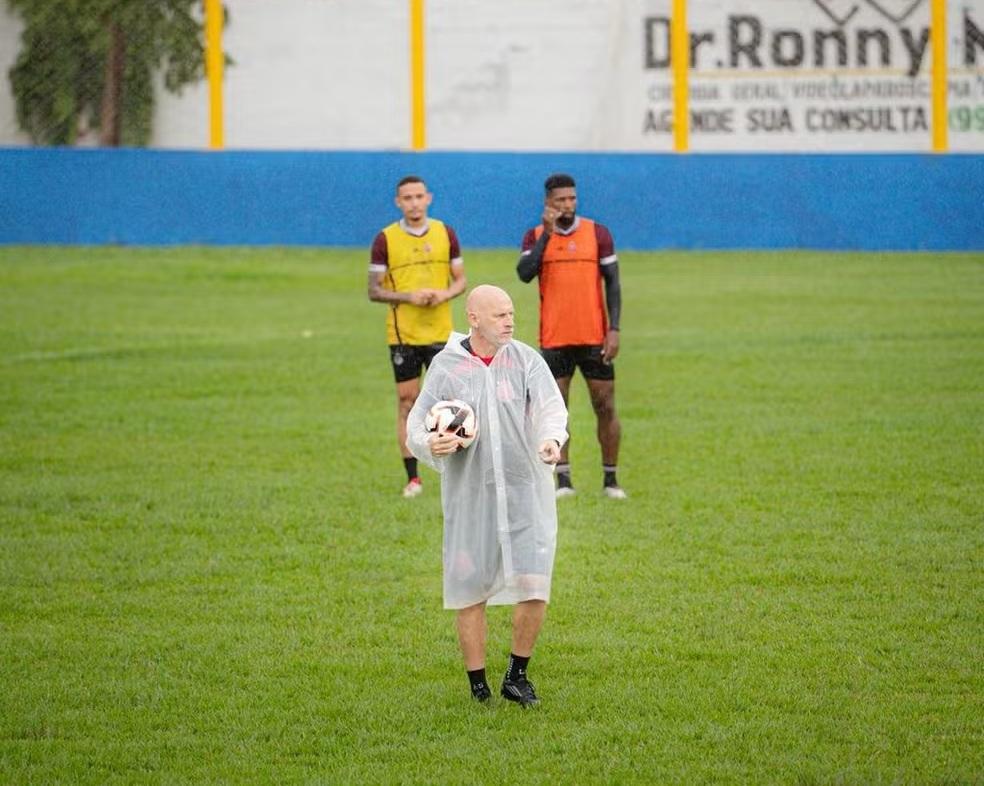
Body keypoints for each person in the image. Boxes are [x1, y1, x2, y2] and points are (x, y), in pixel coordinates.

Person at [406, 285, 568, 707]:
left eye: (511, 313)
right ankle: (478, 686)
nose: (510, 321)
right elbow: (417, 424)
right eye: (499, 315)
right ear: (473, 318)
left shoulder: (526, 359)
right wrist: (430, 443)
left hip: (526, 491)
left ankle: (517, 675)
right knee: (469, 586)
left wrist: (551, 439)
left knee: (535, 583)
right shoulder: (447, 368)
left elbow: (552, 408)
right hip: (470, 495)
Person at [517, 172, 626, 499]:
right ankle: (563, 480)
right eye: (561, 200)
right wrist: (547, 235)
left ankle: (611, 480)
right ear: (548, 203)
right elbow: (524, 274)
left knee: (605, 405)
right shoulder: (535, 235)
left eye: (572, 198)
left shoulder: (598, 233)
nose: (568, 204)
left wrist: (614, 329)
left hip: (594, 338)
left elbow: (613, 283)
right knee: (556, 411)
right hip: (554, 339)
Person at [368, 175, 467, 498]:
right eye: (407, 198)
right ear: (398, 202)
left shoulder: (445, 233)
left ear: (429, 198)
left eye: (419, 196)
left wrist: (444, 294)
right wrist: (409, 297)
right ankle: (413, 478)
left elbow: (460, 280)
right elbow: (374, 290)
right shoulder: (385, 239)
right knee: (408, 402)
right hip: (404, 334)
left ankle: (455, 473)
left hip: (440, 332)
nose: (414, 203)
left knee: (450, 403)